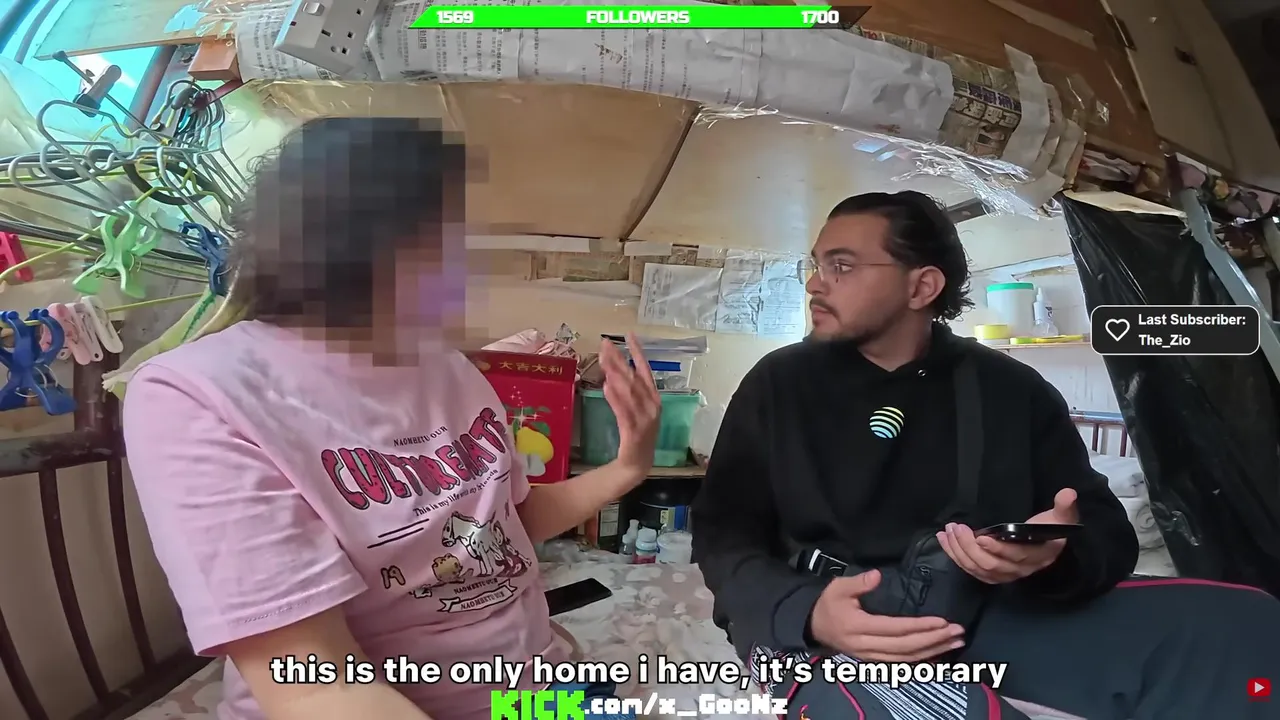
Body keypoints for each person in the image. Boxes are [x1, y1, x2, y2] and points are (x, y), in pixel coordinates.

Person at [122, 117, 663, 720]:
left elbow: (505, 522)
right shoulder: (197, 393)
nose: (463, 260)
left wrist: (628, 466)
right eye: (441, 233)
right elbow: (314, 686)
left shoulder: (449, 368)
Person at [692, 191, 1280, 720]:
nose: (815, 284)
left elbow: (1105, 532)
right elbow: (722, 534)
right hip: (828, 627)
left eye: (840, 267)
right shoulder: (778, 384)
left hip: (986, 614)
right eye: (816, 265)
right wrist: (807, 611)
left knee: (1244, 626)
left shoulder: (1012, 390)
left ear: (922, 287)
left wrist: (1054, 554)